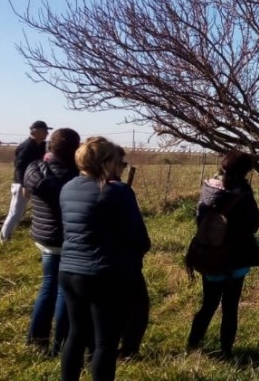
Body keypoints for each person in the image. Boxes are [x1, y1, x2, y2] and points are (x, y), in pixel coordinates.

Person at [58, 137, 150, 381]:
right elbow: (139, 237)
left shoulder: (68, 188)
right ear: (106, 161)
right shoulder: (117, 191)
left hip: (69, 270)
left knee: (76, 334)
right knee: (105, 343)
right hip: (104, 274)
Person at [187, 150, 259, 356]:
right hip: (235, 258)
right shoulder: (243, 194)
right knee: (230, 307)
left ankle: (193, 344)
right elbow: (254, 224)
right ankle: (226, 350)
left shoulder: (208, 189)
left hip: (209, 256)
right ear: (244, 171)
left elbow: (200, 219)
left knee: (208, 303)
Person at [23, 128, 81, 357]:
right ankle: (61, 344)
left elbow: (27, 194)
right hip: (69, 239)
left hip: (44, 237)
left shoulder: (34, 168)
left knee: (47, 286)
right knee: (65, 293)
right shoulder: (78, 175)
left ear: (50, 146)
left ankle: (36, 341)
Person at [110, 146, 149, 359]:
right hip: (123, 261)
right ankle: (127, 351)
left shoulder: (75, 186)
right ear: (108, 163)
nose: (124, 168)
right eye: (121, 163)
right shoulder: (121, 190)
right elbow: (136, 230)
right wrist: (142, 247)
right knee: (137, 308)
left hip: (80, 263)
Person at [0, 120, 51, 243]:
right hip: (21, 184)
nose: (47, 133)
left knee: (23, 213)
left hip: (33, 183)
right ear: (35, 132)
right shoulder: (27, 146)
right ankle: (4, 240)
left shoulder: (41, 145)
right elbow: (19, 166)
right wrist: (23, 185)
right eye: (44, 130)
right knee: (15, 213)